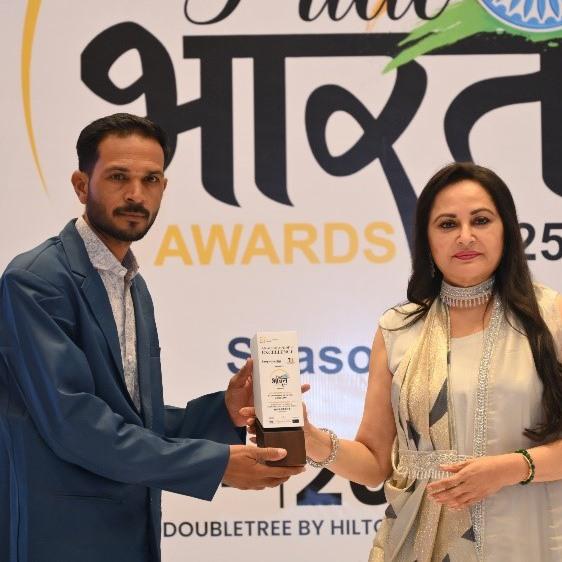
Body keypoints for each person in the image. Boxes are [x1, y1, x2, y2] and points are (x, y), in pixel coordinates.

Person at [0, 113, 304, 562]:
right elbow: (74, 423)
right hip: (61, 538)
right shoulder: (35, 280)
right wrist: (215, 465)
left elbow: (133, 419)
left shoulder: (132, 284)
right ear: (82, 185)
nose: (136, 195)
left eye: (151, 179)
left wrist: (223, 410)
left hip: (131, 534)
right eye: (118, 177)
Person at [251, 162, 562, 561]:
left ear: (507, 230)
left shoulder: (551, 318)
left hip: (527, 536)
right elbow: (374, 463)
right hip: (416, 542)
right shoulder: (398, 329)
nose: (465, 236)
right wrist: (310, 438)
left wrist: (508, 469)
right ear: (427, 240)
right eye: (447, 224)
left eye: (481, 220)